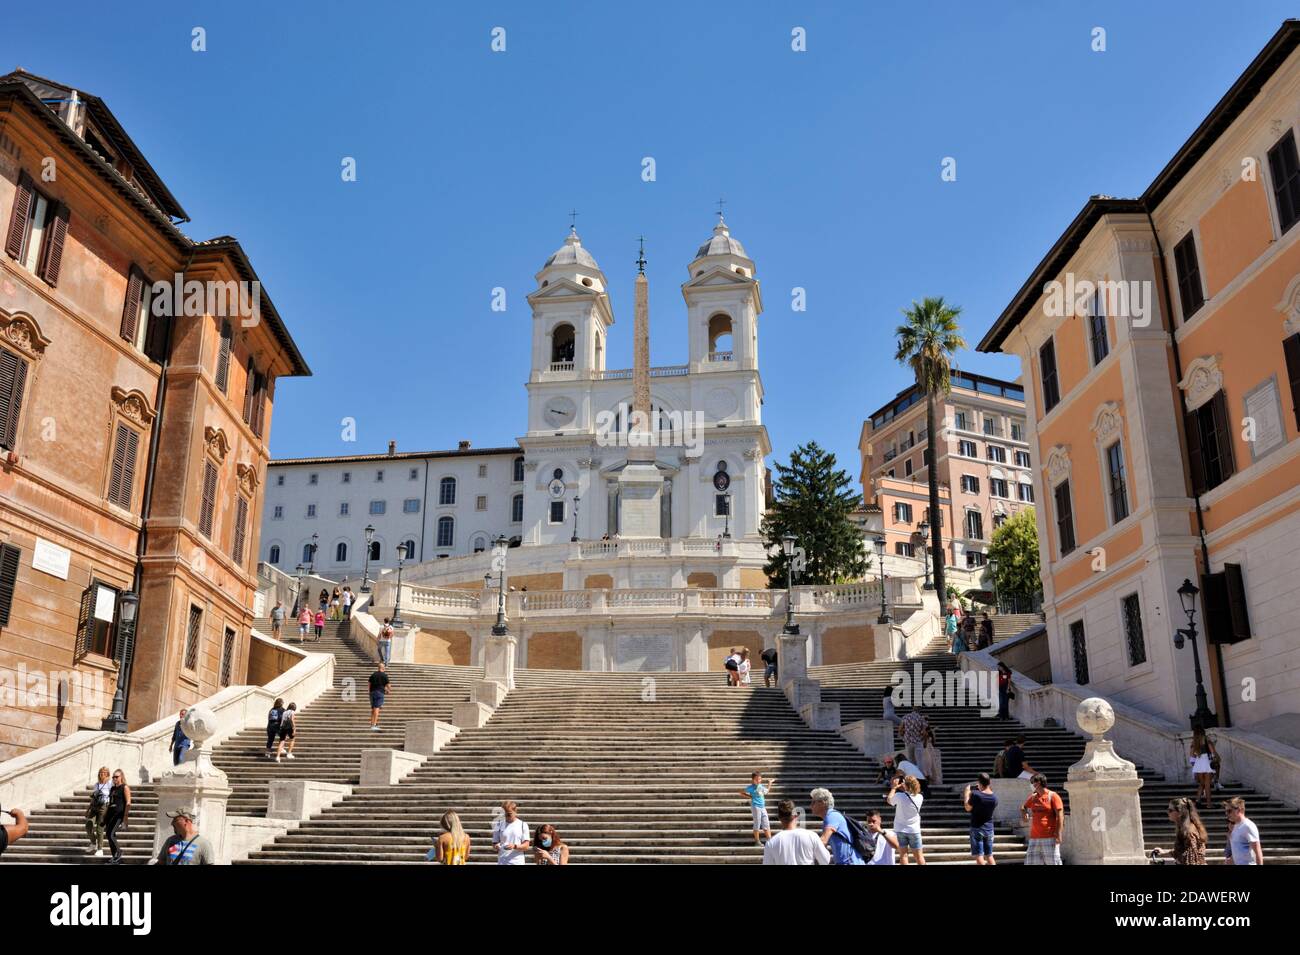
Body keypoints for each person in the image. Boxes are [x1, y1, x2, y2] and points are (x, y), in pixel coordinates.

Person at [763, 799, 831, 865]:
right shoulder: (811, 836)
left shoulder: (771, 843)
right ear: (796, 815)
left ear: (779, 817)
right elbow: (825, 860)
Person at [810, 788, 864, 865]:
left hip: (850, 862)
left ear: (822, 803)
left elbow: (823, 840)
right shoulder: (829, 817)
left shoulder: (832, 816)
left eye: (813, 802)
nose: (810, 806)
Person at [1021, 773, 1064, 865]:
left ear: (1038, 783)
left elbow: (1060, 816)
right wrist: (1024, 813)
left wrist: (1059, 834)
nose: (1032, 785)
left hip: (1050, 837)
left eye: (1033, 782)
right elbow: (1023, 807)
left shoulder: (1053, 796)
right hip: (1034, 838)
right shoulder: (1033, 797)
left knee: (1053, 862)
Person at [1153, 797, 1207, 865]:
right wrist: (1164, 853)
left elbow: (1191, 859)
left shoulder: (1189, 832)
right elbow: (1181, 852)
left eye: (1170, 810)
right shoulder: (1184, 828)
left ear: (1180, 813)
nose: (1168, 813)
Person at [886, 773, 925, 864]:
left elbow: (889, 800)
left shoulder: (899, 796)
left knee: (903, 855)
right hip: (914, 830)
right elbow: (911, 793)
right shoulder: (920, 797)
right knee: (919, 856)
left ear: (906, 785)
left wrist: (894, 788)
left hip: (900, 829)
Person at [964, 772, 999, 865]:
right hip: (989, 829)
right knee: (989, 855)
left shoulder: (976, 795)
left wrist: (967, 793)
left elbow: (967, 808)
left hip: (977, 827)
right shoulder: (994, 798)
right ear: (989, 782)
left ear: (979, 782)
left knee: (979, 856)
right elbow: (986, 795)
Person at [1223, 797, 1263, 865]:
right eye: (1226, 811)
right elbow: (1239, 849)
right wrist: (1231, 859)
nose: (1227, 814)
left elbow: (1258, 851)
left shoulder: (1248, 826)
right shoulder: (1235, 826)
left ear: (1238, 810)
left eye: (1229, 811)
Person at [104, 768, 130, 864]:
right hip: (110, 815)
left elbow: (128, 803)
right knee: (108, 835)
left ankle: (119, 852)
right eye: (113, 777)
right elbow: (110, 803)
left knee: (111, 834)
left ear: (121, 777)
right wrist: (105, 816)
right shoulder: (112, 788)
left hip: (118, 815)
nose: (114, 778)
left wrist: (125, 817)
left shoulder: (125, 787)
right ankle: (114, 856)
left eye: (116, 776)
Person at [85, 766, 112, 857]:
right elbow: (94, 798)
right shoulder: (96, 784)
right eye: (100, 772)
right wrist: (87, 809)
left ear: (107, 774)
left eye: (104, 772)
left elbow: (112, 796)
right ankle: (93, 843)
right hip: (94, 807)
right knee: (88, 825)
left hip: (104, 807)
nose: (102, 774)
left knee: (99, 829)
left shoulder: (110, 784)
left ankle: (100, 849)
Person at [742, 771, 776, 845]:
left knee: (766, 823)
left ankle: (770, 840)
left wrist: (770, 783)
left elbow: (766, 792)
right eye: (756, 779)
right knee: (757, 823)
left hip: (763, 807)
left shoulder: (761, 786)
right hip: (756, 806)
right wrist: (750, 797)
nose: (758, 781)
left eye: (760, 779)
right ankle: (757, 841)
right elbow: (741, 792)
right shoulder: (750, 787)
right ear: (753, 780)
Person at [1189, 728, 1217, 809]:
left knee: (1202, 784)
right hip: (1206, 761)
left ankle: (1197, 800)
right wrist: (1215, 759)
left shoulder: (1194, 742)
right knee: (1207, 785)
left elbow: (1191, 756)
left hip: (1198, 762)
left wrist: (1194, 765)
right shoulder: (1206, 739)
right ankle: (1209, 804)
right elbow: (1212, 752)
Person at [369, 662, 390, 731]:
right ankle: (374, 725)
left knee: (373, 709)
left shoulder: (373, 674)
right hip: (380, 693)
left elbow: (369, 683)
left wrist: (370, 691)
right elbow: (388, 685)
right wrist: (388, 690)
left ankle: (372, 724)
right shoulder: (384, 675)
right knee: (377, 709)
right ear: (383, 668)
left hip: (372, 692)